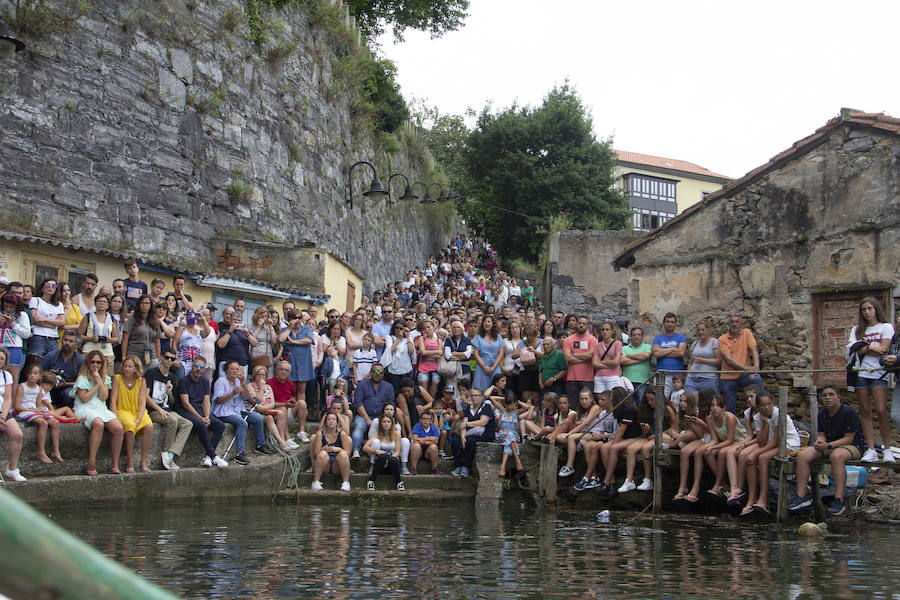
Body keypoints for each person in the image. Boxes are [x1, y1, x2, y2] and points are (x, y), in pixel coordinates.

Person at [789, 385, 867, 516]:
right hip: (829, 445)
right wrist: (820, 441)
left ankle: (839, 498)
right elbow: (821, 434)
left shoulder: (848, 412)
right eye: (824, 395)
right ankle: (801, 496)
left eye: (831, 395)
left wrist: (829, 445)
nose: (827, 398)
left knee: (837, 456)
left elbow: (849, 439)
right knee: (803, 455)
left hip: (853, 446)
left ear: (838, 397)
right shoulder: (823, 413)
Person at [847, 297, 895, 462]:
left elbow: (884, 349)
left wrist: (865, 347)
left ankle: (888, 449)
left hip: (879, 373)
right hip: (861, 373)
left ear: (876, 309)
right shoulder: (857, 329)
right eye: (863, 309)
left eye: (869, 308)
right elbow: (854, 349)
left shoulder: (886, 327)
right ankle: (871, 449)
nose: (867, 312)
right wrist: (871, 347)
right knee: (865, 411)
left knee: (881, 410)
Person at [741, 392, 800, 516]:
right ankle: (752, 498)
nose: (766, 407)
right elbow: (761, 442)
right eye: (763, 405)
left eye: (769, 404)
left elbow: (776, 442)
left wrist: (756, 453)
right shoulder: (757, 417)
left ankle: (763, 498)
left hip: (787, 443)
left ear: (773, 403)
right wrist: (765, 424)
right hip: (771, 444)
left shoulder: (778, 414)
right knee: (750, 460)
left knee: (762, 457)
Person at [73, 350, 124, 475]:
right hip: (84, 407)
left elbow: (103, 397)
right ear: (88, 363)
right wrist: (96, 385)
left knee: (118, 427)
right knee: (99, 424)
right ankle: (91, 463)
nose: (95, 365)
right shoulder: (82, 378)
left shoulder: (105, 378)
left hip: (100, 408)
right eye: (93, 362)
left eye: (98, 362)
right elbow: (84, 398)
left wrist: (100, 382)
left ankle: (115, 464)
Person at [144, 349, 194, 470]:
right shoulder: (151, 373)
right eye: (167, 357)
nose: (169, 361)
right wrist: (159, 410)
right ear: (161, 357)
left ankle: (171, 454)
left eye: (172, 359)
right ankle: (165, 452)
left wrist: (170, 392)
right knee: (172, 421)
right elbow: (145, 396)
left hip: (168, 409)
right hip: (153, 410)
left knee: (188, 423)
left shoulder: (172, 377)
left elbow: (172, 402)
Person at [618, 390, 676, 493]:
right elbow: (645, 432)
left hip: (663, 435)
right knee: (631, 449)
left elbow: (674, 427)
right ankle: (629, 480)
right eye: (648, 400)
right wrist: (646, 429)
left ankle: (648, 479)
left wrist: (658, 434)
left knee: (646, 448)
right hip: (649, 436)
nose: (650, 402)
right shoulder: (647, 410)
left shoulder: (667, 408)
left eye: (652, 399)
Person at [212, 360, 269, 465]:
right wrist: (231, 393)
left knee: (258, 418)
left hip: (238, 410)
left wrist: (243, 383)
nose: (235, 371)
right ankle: (240, 452)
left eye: (237, 369)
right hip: (224, 412)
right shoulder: (221, 381)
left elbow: (246, 396)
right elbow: (218, 400)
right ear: (226, 371)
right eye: (232, 369)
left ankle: (260, 445)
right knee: (242, 423)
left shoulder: (239, 382)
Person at [176, 356, 228, 468]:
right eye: (196, 366)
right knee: (201, 425)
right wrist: (200, 418)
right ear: (192, 366)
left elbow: (206, 401)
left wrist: (207, 416)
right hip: (185, 410)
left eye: (201, 367)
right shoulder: (183, 381)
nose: (198, 369)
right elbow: (185, 403)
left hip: (200, 410)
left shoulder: (205, 381)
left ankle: (208, 457)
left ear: (204, 369)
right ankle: (213, 456)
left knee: (220, 425)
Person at [597, 387, 645, 498]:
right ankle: (612, 481)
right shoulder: (618, 409)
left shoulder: (629, 409)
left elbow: (623, 429)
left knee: (613, 448)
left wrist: (614, 443)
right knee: (604, 448)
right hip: (624, 437)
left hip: (634, 436)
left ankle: (606, 481)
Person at [110, 356, 154, 473]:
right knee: (129, 426)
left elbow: (142, 402)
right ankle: (130, 461)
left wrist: (139, 418)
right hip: (123, 409)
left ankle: (143, 462)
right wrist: (114, 417)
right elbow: (113, 400)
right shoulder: (117, 378)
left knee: (149, 426)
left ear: (136, 368)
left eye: (130, 367)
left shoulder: (141, 381)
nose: (127, 369)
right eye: (125, 366)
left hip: (137, 411)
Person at [13, 364, 63, 464]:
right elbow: (17, 406)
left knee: (54, 422)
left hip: (34, 411)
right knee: (43, 423)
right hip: (23, 411)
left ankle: (56, 450)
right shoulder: (22, 387)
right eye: (30, 373)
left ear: (39, 376)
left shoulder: (39, 389)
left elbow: (38, 405)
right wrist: (33, 411)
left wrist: (42, 411)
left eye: (35, 374)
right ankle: (41, 452)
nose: (32, 376)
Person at [717, 313, 765, 414]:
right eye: (732, 322)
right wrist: (747, 368)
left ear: (741, 323)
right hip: (728, 376)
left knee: (756, 379)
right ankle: (732, 427)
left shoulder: (746, 333)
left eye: (737, 321)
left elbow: (754, 350)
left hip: (744, 374)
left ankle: (764, 412)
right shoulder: (722, 339)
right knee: (729, 407)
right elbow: (728, 360)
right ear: (728, 324)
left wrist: (756, 369)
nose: (734, 324)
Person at [725, 385, 762, 506]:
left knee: (743, 454)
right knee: (731, 451)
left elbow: (760, 438)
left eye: (752, 396)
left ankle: (740, 488)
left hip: (762, 440)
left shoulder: (763, 410)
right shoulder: (748, 413)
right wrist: (742, 444)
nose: (749, 400)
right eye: (747, 398)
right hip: (753, 439)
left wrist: (745, 445)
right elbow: (749, 435)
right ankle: (733, 487)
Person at [350, 364, 395, 457]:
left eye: (380, 372)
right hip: (363, 416)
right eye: (375, 371)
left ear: (383, 374)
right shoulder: (362, 384)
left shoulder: (389, 386)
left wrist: (383, 418)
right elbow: (358, 403)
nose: (377, 374)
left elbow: (390, 405)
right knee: (359, 427)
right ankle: (356, 451)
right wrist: (367, 419)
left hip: (382, 417)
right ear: (370, 373)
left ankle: (387, 454)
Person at [451, 387, 496, 478]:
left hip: (485, 433)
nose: (474, 397)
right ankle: (458, 465)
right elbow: (463, 424)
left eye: (476, 395)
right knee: (456, 441)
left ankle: (466, 466)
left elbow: (483, 422)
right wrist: (463, 437)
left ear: (482, 397)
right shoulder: (469, 408)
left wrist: (467, 424)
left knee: (471, 441)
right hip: (469, 433)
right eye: (472, 396)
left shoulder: (486, 406)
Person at [39, 330, 84, 409]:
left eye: (71, 341)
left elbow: (82, 382)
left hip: (68, 387)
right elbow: (38, 374)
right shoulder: (51, 355)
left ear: (76, 345)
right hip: (49, 386)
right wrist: (49, 375)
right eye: (65, 340)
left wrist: (66, 384)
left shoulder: (80, 360)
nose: (67, 343)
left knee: (68, 393)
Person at [0, 348, 26, 481]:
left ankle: (12, 469)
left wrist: (3, 417)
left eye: (1, 359)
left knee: (18, 434)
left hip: (3, 412)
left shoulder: (6, 375)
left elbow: (7, 398)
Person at [78, 293, 119, 375]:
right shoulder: (88, 317)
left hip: (106, 353)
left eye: (104, 302)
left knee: (107, 377)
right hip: (89, 350)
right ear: (95, 303)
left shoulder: (111, 318)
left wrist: (109, 339)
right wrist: (91, 338)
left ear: (108, 305)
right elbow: (79, 335)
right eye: (99, 301)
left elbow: (116, 338)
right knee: (86, 375)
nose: (102, 303)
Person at [310, 412, 352, 491]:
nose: (331, 421)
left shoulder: (342, 434)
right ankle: (315, 482)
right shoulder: (320, 434)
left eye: (333, 419)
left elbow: (348, 452)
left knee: (343, 454)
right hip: (324, 464)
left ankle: (346, 483)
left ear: (337, 422)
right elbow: (316, 453)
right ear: (325, 422)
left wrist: (338, 449)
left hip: (337, 464)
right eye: (329, 419)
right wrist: (323, 449)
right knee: (322, 454)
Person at [364, 414, 405, 491]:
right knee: (382, 456)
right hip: (381, 464)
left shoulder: (397, 434)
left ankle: (399, 482)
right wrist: (376, 451)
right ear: (381, 423)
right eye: (384, 422)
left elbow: (398, 452)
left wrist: (388, 460)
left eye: (388, 422)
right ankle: (371, 481)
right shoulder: (377, 434)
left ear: (392, 423)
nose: (386, 424)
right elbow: (365, 447)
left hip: (393, 463)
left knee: (393, 459)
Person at [652, 313, 687, 400]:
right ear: (663, 323)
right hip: (662, 376)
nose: (670, 324)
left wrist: (663, 352)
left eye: (672, 322)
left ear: (675, 324)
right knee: (661, 401)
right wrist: (673, 349)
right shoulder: (658, 338)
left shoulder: (681, 338)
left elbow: (681, 353)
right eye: (667, 321)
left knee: (678, 402)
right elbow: (656, 353)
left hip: (678, 376)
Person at [28, 278, 65, 361]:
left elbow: (62, 322)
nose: (50, 287)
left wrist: (43, 319)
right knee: (36, 364)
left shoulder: (59, 305)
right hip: (39, 337)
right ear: (42, 287)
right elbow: (35, 319)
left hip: (53, 339)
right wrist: (53, 324)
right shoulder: (35, 300)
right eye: (48, 285)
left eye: (54, 286)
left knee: (52, 365)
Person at [1, 292, 32, 392]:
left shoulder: (22, 315)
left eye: (11, 307)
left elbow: (26, 334)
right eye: (6, 306)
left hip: (14, 348)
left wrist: (13, 324)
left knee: (13, 379)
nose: (8, 309)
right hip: (1, 347)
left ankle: (11, 404)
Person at [216, 305, 258, 379]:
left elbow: (255, 343)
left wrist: (247, 334)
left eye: (238, 320)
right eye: (234, 319)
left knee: (240, 387)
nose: (236, 321)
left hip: (242, 364)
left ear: (241, 321)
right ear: (231, 321)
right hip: (227, 364)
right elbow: (220, 345)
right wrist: (230, 332)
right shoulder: (225, 331)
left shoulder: (246, 332)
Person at [122, 295, 161, 369]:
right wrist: (124, 355)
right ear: (139, 305)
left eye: (147, 303)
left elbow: (157, 340)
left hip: (151, 355)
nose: (144, 305)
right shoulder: (132, 319)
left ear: (150, 306)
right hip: (135, 355)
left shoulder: (154, 321)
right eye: (142, 303)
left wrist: (158, 357)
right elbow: (125, 338)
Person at [563, 316, 596, 401]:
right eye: (580, 323)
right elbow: (567, 357)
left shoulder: (592, 339)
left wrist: (573, 354)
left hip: (587, 378)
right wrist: (584, 358)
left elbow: (590, 355)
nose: (581, 325)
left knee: (587, 405)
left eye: (584, 324)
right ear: (576, 324)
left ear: (587, 326)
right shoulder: (568, 340)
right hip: (572, 378)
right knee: (573, 405)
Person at [685, 319, 721, 394]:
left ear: (708, 330)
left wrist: (702, 360)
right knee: (691, 402)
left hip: (709, 378)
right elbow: (690, 363)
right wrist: (687, 376)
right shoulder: (695, 344)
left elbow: (719, 361)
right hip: (692, 379)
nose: (700, 332)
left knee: (707, 403)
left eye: (703, 330)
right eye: (698, 330)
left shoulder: (714, 342)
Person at [173, 309, 211, 376]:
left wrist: (203, 319)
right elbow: (174, 343)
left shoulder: (199, 331)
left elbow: (207, 332)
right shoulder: (182, 329)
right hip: (183, 360)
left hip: (195, 362)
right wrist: (175, 358)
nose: (193, 319)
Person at [471, 315, 504, 391]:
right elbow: (476, 353)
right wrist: (484, 366)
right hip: (482, 365)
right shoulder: (478, 337)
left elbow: (501, 353)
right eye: (484, 321)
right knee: (480, 388)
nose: (486, 323)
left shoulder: (498, 337)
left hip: (495, 365)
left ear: (493, 324)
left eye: (488, 321)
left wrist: (493, 367)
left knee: (496, 388)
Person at [496, 395, 525, 477]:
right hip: (503, 434)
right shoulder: (502, 411)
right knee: (509, 436)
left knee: (509, 440)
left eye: (512, 404)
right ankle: (517, 461)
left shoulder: (516, 412)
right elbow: (492, 398)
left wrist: (517, 401)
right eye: (508, 404)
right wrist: (504, 399)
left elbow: (528, 407)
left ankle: (502, 467)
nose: (510, 406)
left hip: (513, 435)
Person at [592, 321, 622, 394]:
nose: (605, 332)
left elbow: (616, 362)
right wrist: (610, 363)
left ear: (612, 331)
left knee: (613, 398)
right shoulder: (597, 345)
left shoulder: (617, 343)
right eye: (603, 330)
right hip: (599, 376)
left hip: (613, 376)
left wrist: (602, 362)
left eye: (607, 329)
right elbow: (595, 364)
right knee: (600, 398)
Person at [415, 319, 442, 400]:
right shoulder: (421, 339)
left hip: (435, 367)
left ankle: (431, 404)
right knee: (423, 386)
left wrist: (428, 353)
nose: (427, 329)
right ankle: (425, 405)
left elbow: (440, 354)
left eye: (429, 327)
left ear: (434, 328)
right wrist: (435, 353)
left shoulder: (439, 340)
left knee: (434, 387)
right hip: (423, 367)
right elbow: (423, 352)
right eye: (425, 328)